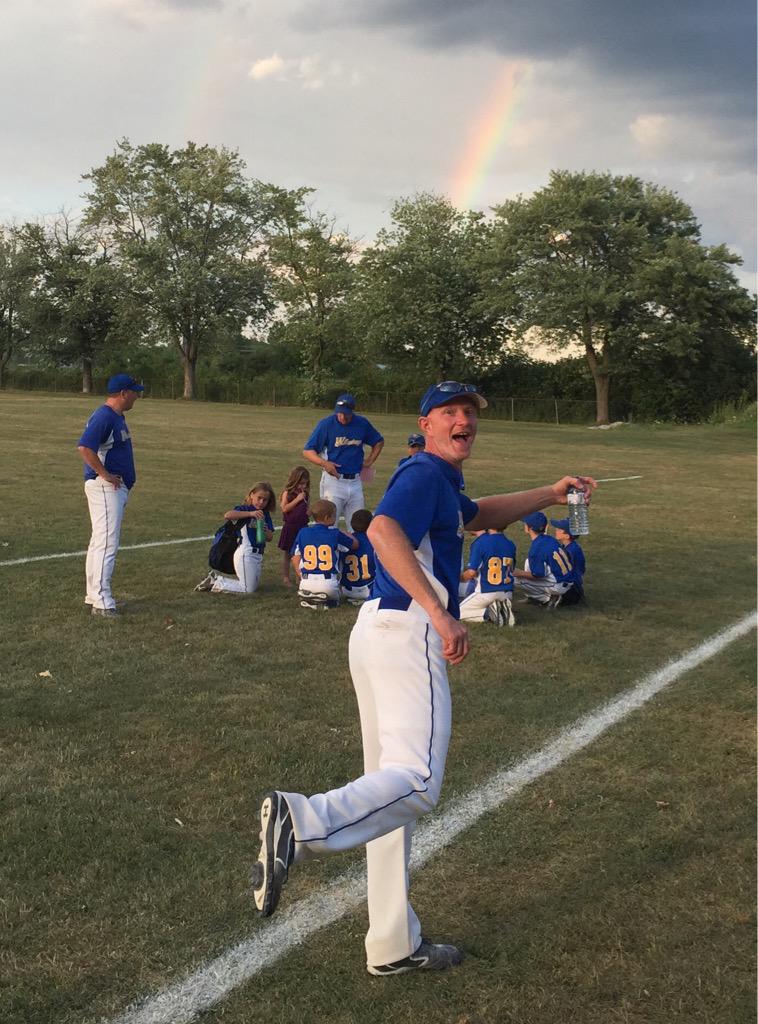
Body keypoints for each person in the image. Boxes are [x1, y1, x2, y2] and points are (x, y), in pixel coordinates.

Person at [251, 379, 596, 976]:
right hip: (408, 631)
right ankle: (299, 821)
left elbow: (477, 516)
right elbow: (383, 532)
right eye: (451, 412)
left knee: (388, 792)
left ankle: (392, 944)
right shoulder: (422, 474)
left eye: (470, 412)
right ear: (427, 422)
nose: (464, 419)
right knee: (415, 783)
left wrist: (552, 489)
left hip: (378, 631)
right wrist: (440, 614)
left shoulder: (441, 480)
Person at [77, 373, 144, 616]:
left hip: (113, 488)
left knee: (99, 542)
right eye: (135, 391)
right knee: (107, 543)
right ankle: (102, 601)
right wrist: (104, 474)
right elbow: (85, 447)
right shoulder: (105, 416)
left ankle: (94, 594)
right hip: (106, 488)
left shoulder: (116, 416)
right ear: (124, 393)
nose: (138, 396)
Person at [303, 394, 384, 528]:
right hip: (333, 481)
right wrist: (324, 463)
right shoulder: (327, 424)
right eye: (339, 413)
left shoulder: (362, 423)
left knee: (359, 526)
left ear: (352, 412)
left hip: (356, 481)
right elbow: (308, 451)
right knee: (329, 525)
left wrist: (369, 461)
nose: (342, 417)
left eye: (346, 414)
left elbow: (379, 441)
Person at [195, 483, 275, 595]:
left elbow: (270, 537)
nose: (261, 502)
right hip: (246, 552)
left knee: (252, 586)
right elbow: (228, 515)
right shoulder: (245, 509)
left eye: (265, 500)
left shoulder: (264, 514)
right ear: (252, 495)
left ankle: (215, 580)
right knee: (248, 589)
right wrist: (250, 514)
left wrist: (265, 530)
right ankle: (216, 582)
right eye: (259, 498)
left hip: (258, 554)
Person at [291, 499, 358, 609]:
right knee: (335, 600)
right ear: (327, 518)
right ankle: (327, 602)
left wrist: (301, 576)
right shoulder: (335, 534)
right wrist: (344, 532)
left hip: (306, 581)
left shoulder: (303, 532)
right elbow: (355, 544)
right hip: (328, 583)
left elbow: (295, 558)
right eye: (334, 515)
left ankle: (312, 600)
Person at [512, 512, 573, 608]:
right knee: (529, 562)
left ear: (529, 528)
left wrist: (518, 572)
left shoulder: (537, 548)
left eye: (525, 523)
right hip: (566, 579)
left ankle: (548, 597)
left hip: (558, 585)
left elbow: (538, 575)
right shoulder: (550, 539)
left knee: (513, 579)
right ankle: (543, 597)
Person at [459, 527, 517, 627]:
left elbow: (472, 573)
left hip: (486, 593)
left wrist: (459, 579)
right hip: (507, 593)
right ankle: (501, 608)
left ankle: (489, 613)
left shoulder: (481, 542)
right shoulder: (510, 543)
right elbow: (511, 569)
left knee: (456, 613)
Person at [278, 466, 311, 588]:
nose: (302, 487)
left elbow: (306, 508)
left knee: (302, 553)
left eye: (305, 484)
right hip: (290, 527)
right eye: (300, 484)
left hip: (302, 527)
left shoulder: (305, 494)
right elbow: (284, 508)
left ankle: (299, 576)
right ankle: (286, 577)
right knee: (288, 553)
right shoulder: (288, 493)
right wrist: (297, 499)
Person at [340, 509, 376, 604]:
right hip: (370, 589)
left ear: (351, 523)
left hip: (347, 590)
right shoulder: (374, 541)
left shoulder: (346, 541)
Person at [550, 517, 586, 605]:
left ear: (567, 536)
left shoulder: (570, 551)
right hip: (574, 587)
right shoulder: (571, 547)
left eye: (559, 529)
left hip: (570, 589)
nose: (556, 530)